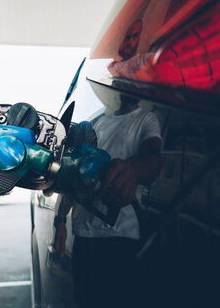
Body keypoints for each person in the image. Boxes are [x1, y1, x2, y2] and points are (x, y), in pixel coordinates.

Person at [54, 93, 162, 308]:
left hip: (121, 235)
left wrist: (134, 169)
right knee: (85, 301)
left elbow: (153, 159)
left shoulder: (146, 119)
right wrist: (60, 221)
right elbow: (74, 175)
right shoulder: (98, 123)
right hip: (84, 233)